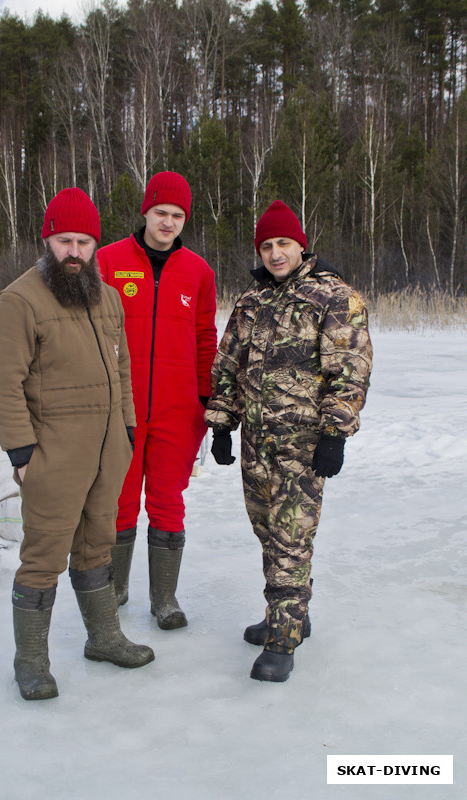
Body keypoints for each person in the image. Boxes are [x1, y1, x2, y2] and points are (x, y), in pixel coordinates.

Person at [0, 188, 154, 701]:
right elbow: (2, 384)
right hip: (51, 453)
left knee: (96, 544)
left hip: (107, 449)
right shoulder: (19, 301)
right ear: (47, 241)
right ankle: (31, 663)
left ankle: (104, 638)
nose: (75, 251)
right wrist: (22, 455)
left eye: (84, 241)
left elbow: (122, 368)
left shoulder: (107, 297)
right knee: (43, 555)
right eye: (65, 241)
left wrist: (126, 429)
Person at [205, 200, 372, 682]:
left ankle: (283, 639)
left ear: (302, 245)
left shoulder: (335, 299)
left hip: (304, 446)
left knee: (291, 538)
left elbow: (351, 369)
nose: (276, 253)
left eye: (283, 243)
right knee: (266, 531)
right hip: (258, 442)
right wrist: (221, 422)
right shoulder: (251, 302)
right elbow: (228, 363)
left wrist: (335, 434)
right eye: (267, 245)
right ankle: (291, 615)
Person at [97, 172, 217, 630]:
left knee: (168, 501)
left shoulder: (199, 271)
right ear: (146, 211)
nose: (168, 222)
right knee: (120, 502)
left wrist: (207, 400)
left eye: (178, 215)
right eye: (161, 213)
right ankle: (117, 587)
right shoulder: (108, 262)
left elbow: (206, 337)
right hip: (120, 409)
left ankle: (164, 598)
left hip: (178, 408)